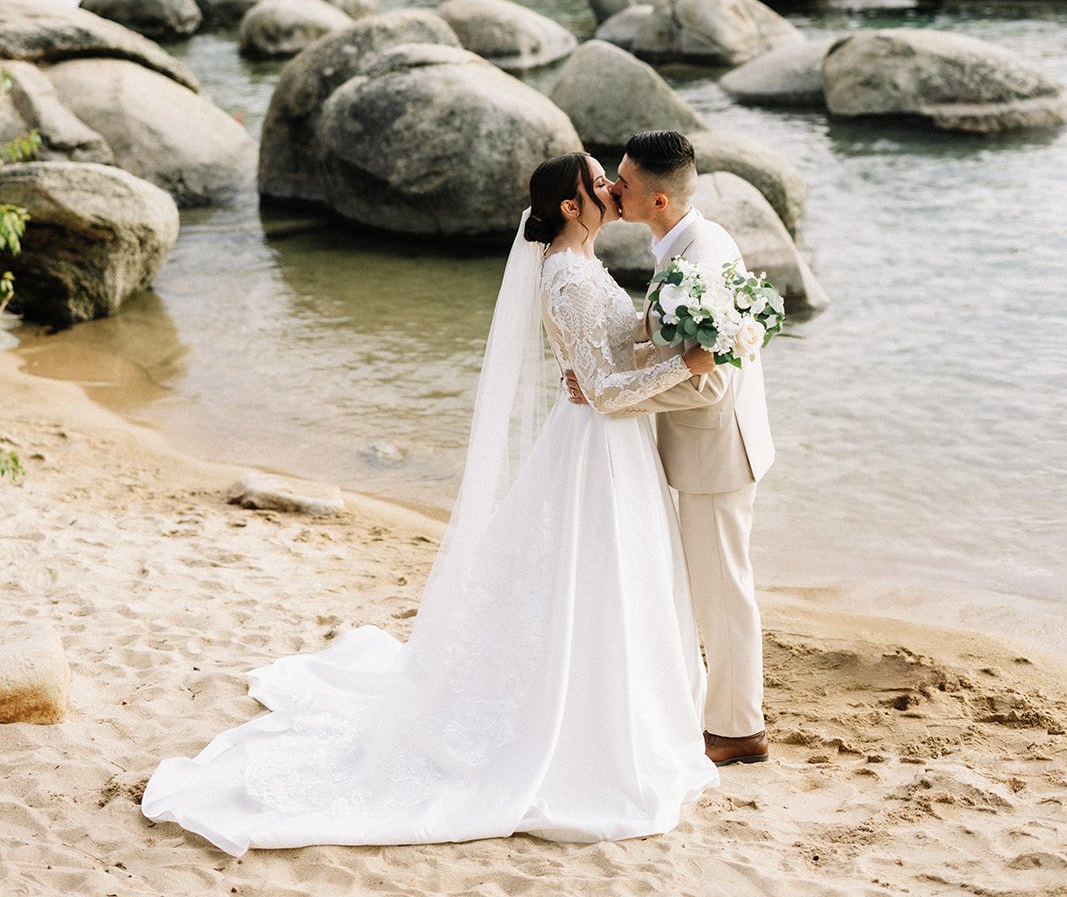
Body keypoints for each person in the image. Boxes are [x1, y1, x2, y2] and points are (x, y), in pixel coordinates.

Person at [141, 153, 719, 855]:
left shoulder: (586, 267)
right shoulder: (566, 276)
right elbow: (600, 391)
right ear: (570, 207)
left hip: (610, 448)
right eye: (596, 182)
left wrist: (668, 340)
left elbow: (604, 355)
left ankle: (619, 710)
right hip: (594, 446)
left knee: (608, 583)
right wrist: (684, 365)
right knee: (584, 580)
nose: (608, 189)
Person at [565, 131, 775, 767]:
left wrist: (613, 397)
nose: (612, 189)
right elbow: (673, 344)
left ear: (657, 199)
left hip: (717, 451)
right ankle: (726, 713)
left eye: (622, 183)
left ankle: (739, 728)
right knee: (716, 586)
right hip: (713, 447)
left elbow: (706, 382)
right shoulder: (681, 243)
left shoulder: (697, 263)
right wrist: (618, 358)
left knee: (722, 592)